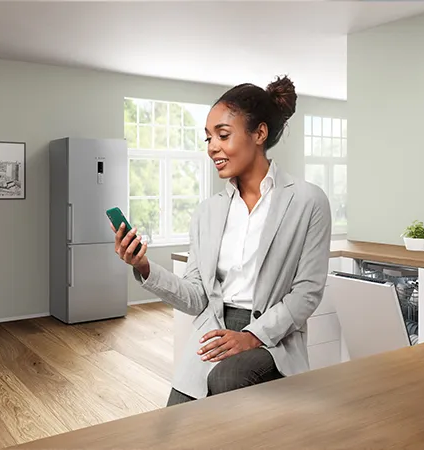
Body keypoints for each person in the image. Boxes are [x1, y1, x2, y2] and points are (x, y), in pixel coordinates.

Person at [111, 75, 332, 406]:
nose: (212, 147)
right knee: (175, 428)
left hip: (273, 339)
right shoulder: (207, 212)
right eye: (208, 138)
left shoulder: (307, 201)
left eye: (223, 135)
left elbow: (307, 293)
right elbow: (197, 298)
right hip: (212, 334)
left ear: (259, 133)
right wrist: (143, 266)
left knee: (228, 377)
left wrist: (250, 337)